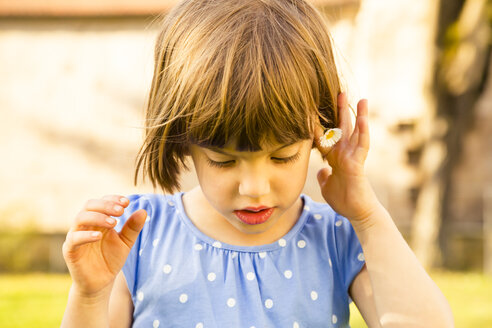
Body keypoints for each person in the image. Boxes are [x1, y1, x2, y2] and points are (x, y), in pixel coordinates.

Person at [61, 0, 454, 327]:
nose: (254, 187)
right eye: (224, 160)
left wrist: (367, 216)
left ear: (319, 131)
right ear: (183, 137)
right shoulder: (137, 235)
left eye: (283, 156)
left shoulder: (338, 239)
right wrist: (90, 295)